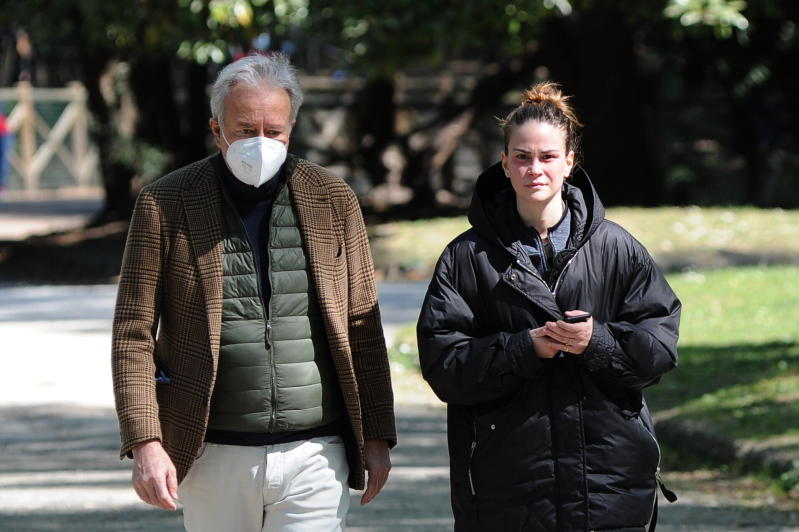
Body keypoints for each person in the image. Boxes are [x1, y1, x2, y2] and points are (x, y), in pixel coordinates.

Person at [112, 53, 396, 532]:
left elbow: (362, 324)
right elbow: (133, 333)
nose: (260, 142)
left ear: (292, 128)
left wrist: (377, 434)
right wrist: (145, 440)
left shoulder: (333, 198)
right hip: (211, 453)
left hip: (316, 454)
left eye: (274, 130)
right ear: (216, 128)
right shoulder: (166, 203)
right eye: (245, 129)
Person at [417, 82, 680, 531]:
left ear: (570, 162)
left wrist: (594, 341)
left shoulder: (618, 248)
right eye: (521, 157)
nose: (534, 169)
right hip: (508, 487)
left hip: (610, 485)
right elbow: (444, 364)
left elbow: (658, 349)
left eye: (547, 156)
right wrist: (523, 349)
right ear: (503, 163)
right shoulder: (467, 257)